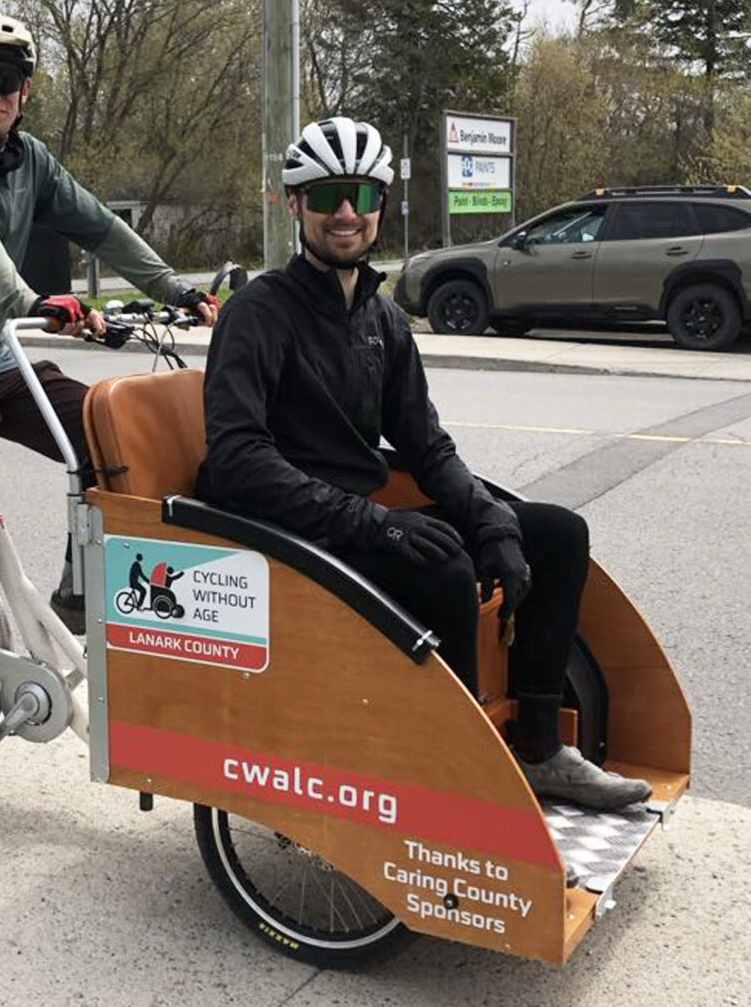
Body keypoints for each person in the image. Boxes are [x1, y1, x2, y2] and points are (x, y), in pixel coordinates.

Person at [195, 116, 651, 812]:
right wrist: (376, 525)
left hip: (365, 518)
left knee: (556, 534)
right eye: (324, 197)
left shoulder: (380, 317)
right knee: (442, 565)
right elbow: (235, 460)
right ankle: (455, 773)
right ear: (294, 205)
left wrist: (490, 517)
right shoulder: (258, 313)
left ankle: (536, 748)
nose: (344, 213)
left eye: (360, 195)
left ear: (380, 204)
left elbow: (424, 445)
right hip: (296, 530)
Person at [0, 8, 217, 763]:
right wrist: (28, 300)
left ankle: (74, 592)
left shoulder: (33, 161)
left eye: (8, 80)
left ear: (26, 90)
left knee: (107, 431)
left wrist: (177, 291)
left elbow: (101, 228)